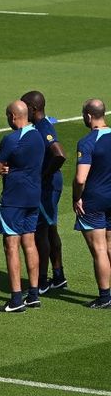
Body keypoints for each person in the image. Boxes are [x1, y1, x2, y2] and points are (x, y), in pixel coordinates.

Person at [0, 100, 45, 313]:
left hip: (13, 199)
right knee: (29, 243)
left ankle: (15, 299)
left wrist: (4, 168)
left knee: (11, 246)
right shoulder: (38, 137)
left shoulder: (12, 139)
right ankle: (33, 294)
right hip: (33, 197)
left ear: (13, 117)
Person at [22, 90, 67, 292]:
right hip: (50, 184)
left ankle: (42, 279)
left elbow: (59, 154)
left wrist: (44, 174)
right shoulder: (40, 126)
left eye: (25, 107)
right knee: (50, 229)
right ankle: (58, 276)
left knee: (40, 232)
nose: (22, 110)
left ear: (33, 108)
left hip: (47, 186)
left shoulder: (43, 127)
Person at [73, 98, 111, 308]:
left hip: (94, 201)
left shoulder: (87, 142)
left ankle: (105, 297)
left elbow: (80, 178)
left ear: (88, 116)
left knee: (99, 249)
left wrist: (77, 197)